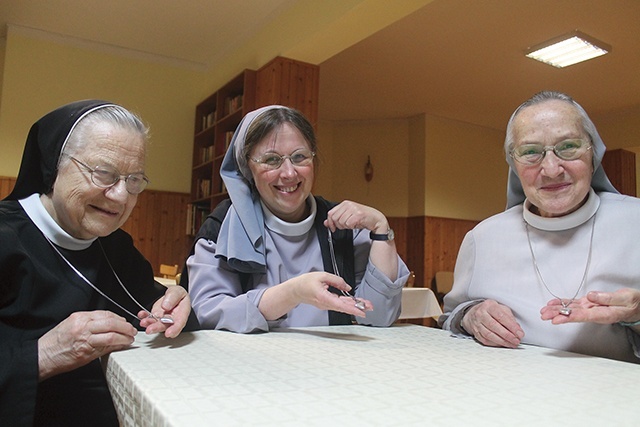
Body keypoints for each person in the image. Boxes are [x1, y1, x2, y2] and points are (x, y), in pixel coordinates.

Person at [0, 100, 198, 426]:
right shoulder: (6, 237)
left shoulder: (116, 247)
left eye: (134, 181)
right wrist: (44, 354)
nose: (121, 196)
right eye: (104, 173)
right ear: (55, 166)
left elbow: (153, 311)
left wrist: (176, 307)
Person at [439, 91, 640, 364]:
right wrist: (470, 316)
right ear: (514, 164)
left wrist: (636, 315)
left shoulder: (634, 221)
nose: (551, 169)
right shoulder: (483, 238)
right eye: (531, 152)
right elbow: (450, 316)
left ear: (593, 153)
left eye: (568, 146)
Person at [185, 105, 409, 333]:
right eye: (272, 160)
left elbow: (378, 317)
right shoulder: (224, 227)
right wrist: (293, 293)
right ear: (247, 168)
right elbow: (207, 314)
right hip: (250, 365)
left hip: (333, 364)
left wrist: (382, 228)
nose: (289, 173)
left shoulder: (344, 227)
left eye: (299, 157)